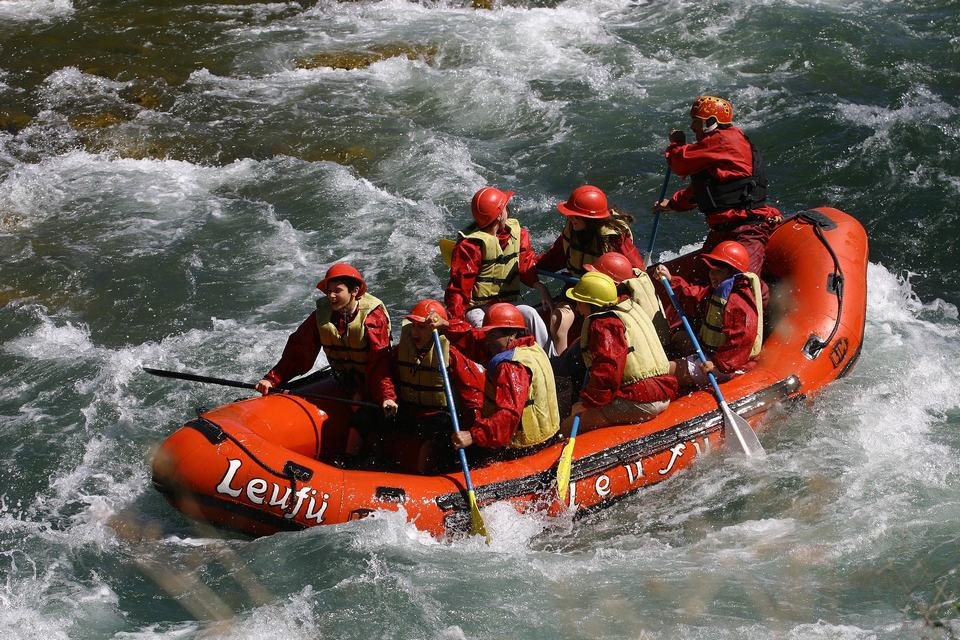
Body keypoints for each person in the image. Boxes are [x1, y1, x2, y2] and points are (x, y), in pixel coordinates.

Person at [254, 262, 392, 456]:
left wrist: (387, 396)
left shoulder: (372, 318)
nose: (331, 296)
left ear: (355, 291)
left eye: (338, 291)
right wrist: (272, 379)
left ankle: (356, 458)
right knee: (355, 398)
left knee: (359, 403)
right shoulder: (322, 316)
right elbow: (299, 351)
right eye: (329, 291)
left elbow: (380, 362)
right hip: (344, 379)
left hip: (372, 381)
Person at [651, 95, 782, 284]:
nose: (692, 127)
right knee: (701, 283)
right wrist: (673, 204)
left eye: (696, 121)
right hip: (724, 229)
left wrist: (676, 144)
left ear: (711, 123)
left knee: (742, 286)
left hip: (746, 228)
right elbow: (706, 189)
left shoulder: (722, 141)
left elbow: (680, 162)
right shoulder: (718, 145)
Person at [561, 271, 678, 436]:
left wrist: (588, 403)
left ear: (593, 304)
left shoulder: (603, 325)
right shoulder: (630, 307)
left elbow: (608, 372)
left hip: (640, 401)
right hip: (663, 392)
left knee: (567, 426)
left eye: (580, 302)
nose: (577, 307)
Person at [377, 299, 485, 473]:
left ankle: (421, 477)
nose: (414, 333)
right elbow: (387, 376)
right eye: (413, 326)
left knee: (433, 439)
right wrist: (388, 397)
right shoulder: (402, 350)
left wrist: (473, 431)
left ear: (436, 329)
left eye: (421, 328)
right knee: (370, 419)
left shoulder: (452, 355)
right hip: (411, 410)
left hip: (442, 416)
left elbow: (472, 394)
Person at [536, 185, 645, 355]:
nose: (571, 218)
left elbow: (636, 272)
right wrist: (530, 267)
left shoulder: (614, 238)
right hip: (577, 288)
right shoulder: (572, 230)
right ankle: (562, 371)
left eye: (576, 216)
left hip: (608, 295)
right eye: (570, 214)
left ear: (591, 219)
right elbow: (553, 258)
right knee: (558, 319)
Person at [449, 303, 560, 462]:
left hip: (523, 448)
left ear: (512, 334)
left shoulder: (511, 366)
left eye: (492, 335)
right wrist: (447, 326)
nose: (487, 341)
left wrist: (472, 436)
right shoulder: (531, 347)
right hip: (547, 436)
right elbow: (473, 342)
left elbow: (509, 417)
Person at [444, 186, 551, 349]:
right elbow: (459, 291)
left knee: (530, 314)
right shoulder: (471, 246)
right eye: (505, 206)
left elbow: (524, 263)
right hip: (477, 308)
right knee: (487, 333)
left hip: (504, 306)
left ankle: (549, 360)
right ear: (500, 214)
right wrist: (456, 324)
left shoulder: (517, 233)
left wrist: (539, 286)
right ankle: (494, 367)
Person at [654, 240, 763, 391]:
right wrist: (672, 280)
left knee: (668, 369)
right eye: (711, 270)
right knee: (679, 339)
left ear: (732, 272)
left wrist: (717, 364)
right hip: (711, 351)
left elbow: (742, 340)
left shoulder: (737, 303)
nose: (712, 275)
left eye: (717, 271)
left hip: (726, 365)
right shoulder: (719, 291)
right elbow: (694, 296)